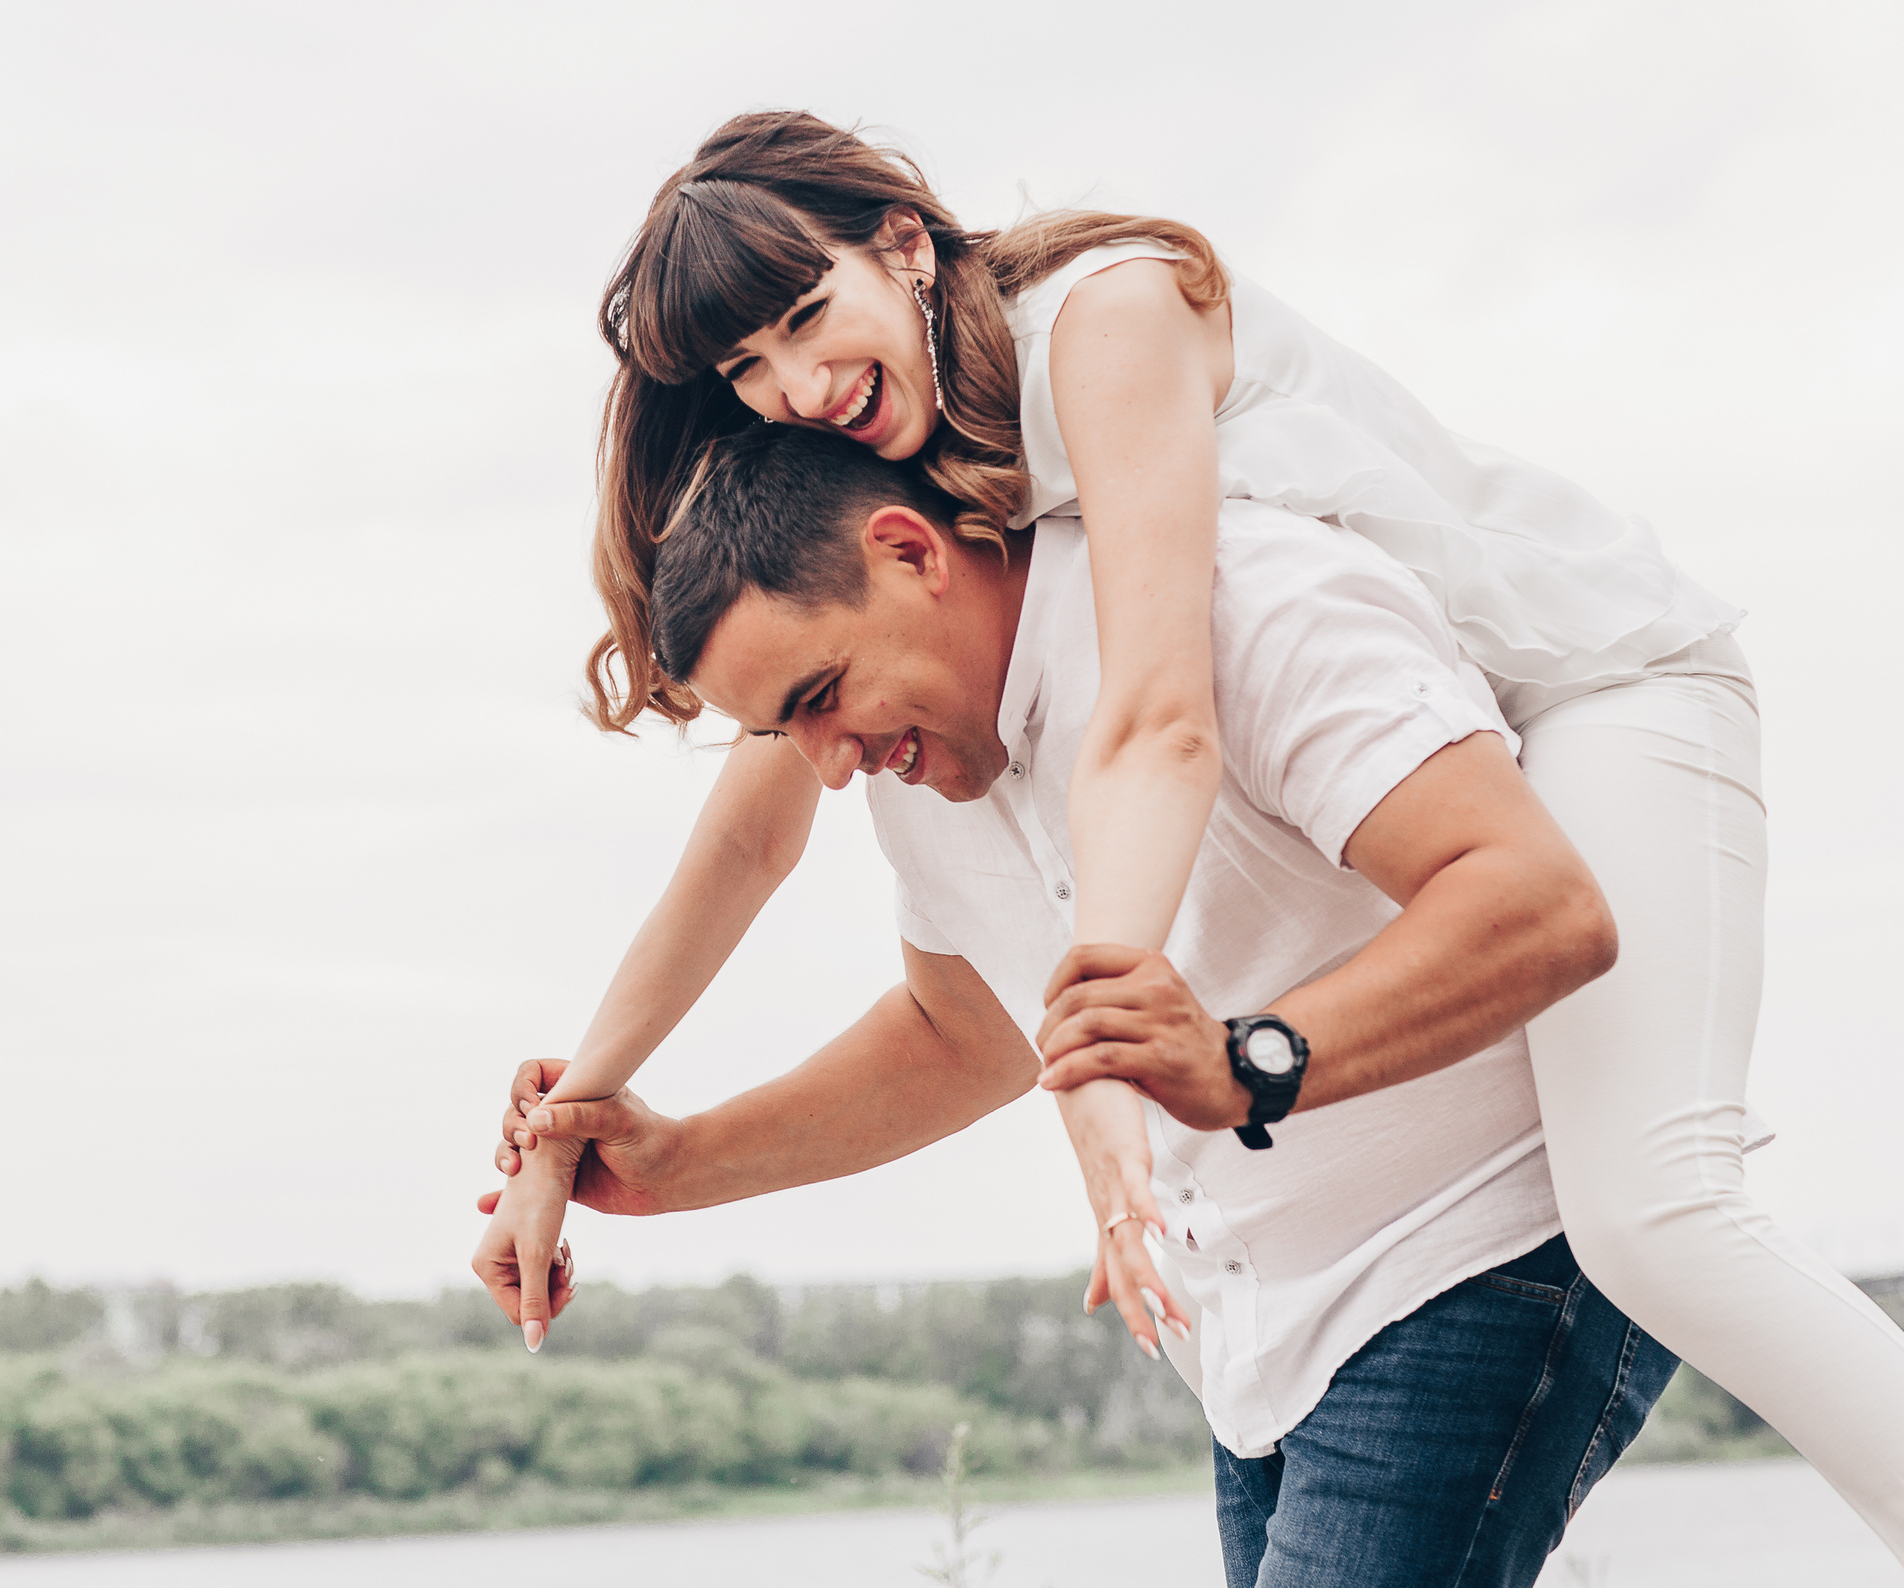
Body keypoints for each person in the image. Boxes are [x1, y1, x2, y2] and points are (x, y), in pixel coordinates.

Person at [484, 110, 1904, 1552]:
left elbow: (1160, 716)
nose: (792, 388)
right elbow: (750, 841)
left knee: (1653, 1212)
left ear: (903, 241)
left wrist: (1127, 1059)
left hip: (1597, 674)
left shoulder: (1096, 324)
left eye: (803, 319)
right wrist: (572, 1115)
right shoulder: (886, 496)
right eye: (745, 370)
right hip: (1422, 744)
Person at [484, 426, 1671, 1585]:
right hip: (1255, 1351)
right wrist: (678, 1165)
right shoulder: (913, 777)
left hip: (1473, 1256)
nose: (829, 765)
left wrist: (1249, 1063)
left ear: (909, 551)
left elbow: (1537, 904)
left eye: (823, 693)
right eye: (782, 729)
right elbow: (964, 1037)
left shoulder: (1245, 604)